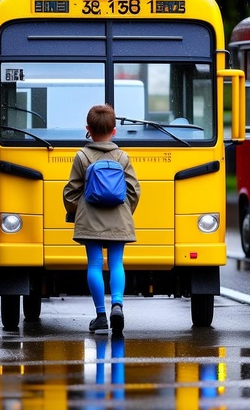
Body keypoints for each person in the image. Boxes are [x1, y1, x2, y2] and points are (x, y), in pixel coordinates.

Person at [63, 104, 140, 334]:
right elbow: (134, 191)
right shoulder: (123, 157)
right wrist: (125, 212)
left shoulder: (82, 156)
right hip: (119, 220)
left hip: (91, 222)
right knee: (116, 263)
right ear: (114, 131)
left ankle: (100, 316)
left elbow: (70, 193)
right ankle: (117, 304)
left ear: (88, 129)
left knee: (95, 264)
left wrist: (79, 212)